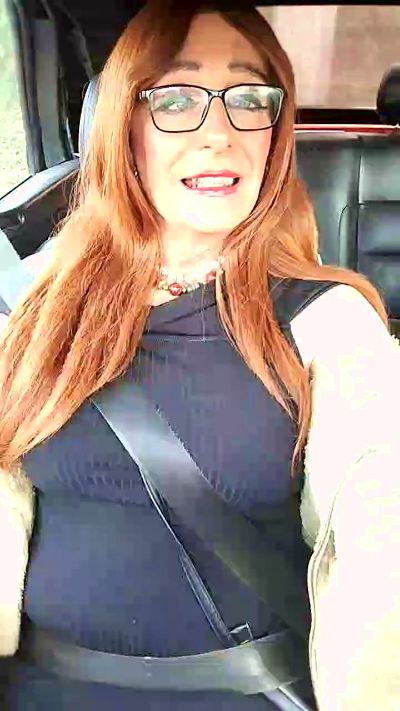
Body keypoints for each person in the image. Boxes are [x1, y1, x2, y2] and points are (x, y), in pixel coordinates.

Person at [0, 1, 399, 709]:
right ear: (123, 127)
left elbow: (382, 537)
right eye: (177, 100)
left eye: (249, 99)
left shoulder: (331, 324)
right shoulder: (40, 301)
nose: (220, 132)